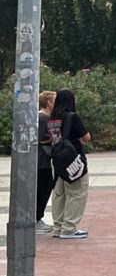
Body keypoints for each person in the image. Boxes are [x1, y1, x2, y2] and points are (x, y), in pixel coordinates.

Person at [47, 89, 91, 239]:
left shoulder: (53, 118)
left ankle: (58, 227)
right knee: (77, 191)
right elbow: (86, 137)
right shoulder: (72, 117)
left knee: (59, 192)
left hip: (58, 159)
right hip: (73, 160)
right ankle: (69, 228)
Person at [35, 91, 56, 234]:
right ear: (49, 102)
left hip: (43, 160)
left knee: (44, 189)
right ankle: (36, 218)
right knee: (42, 190)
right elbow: (43, 138)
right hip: (43, 161)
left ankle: (38, 218)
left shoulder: (43, 117)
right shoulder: (44, 118)